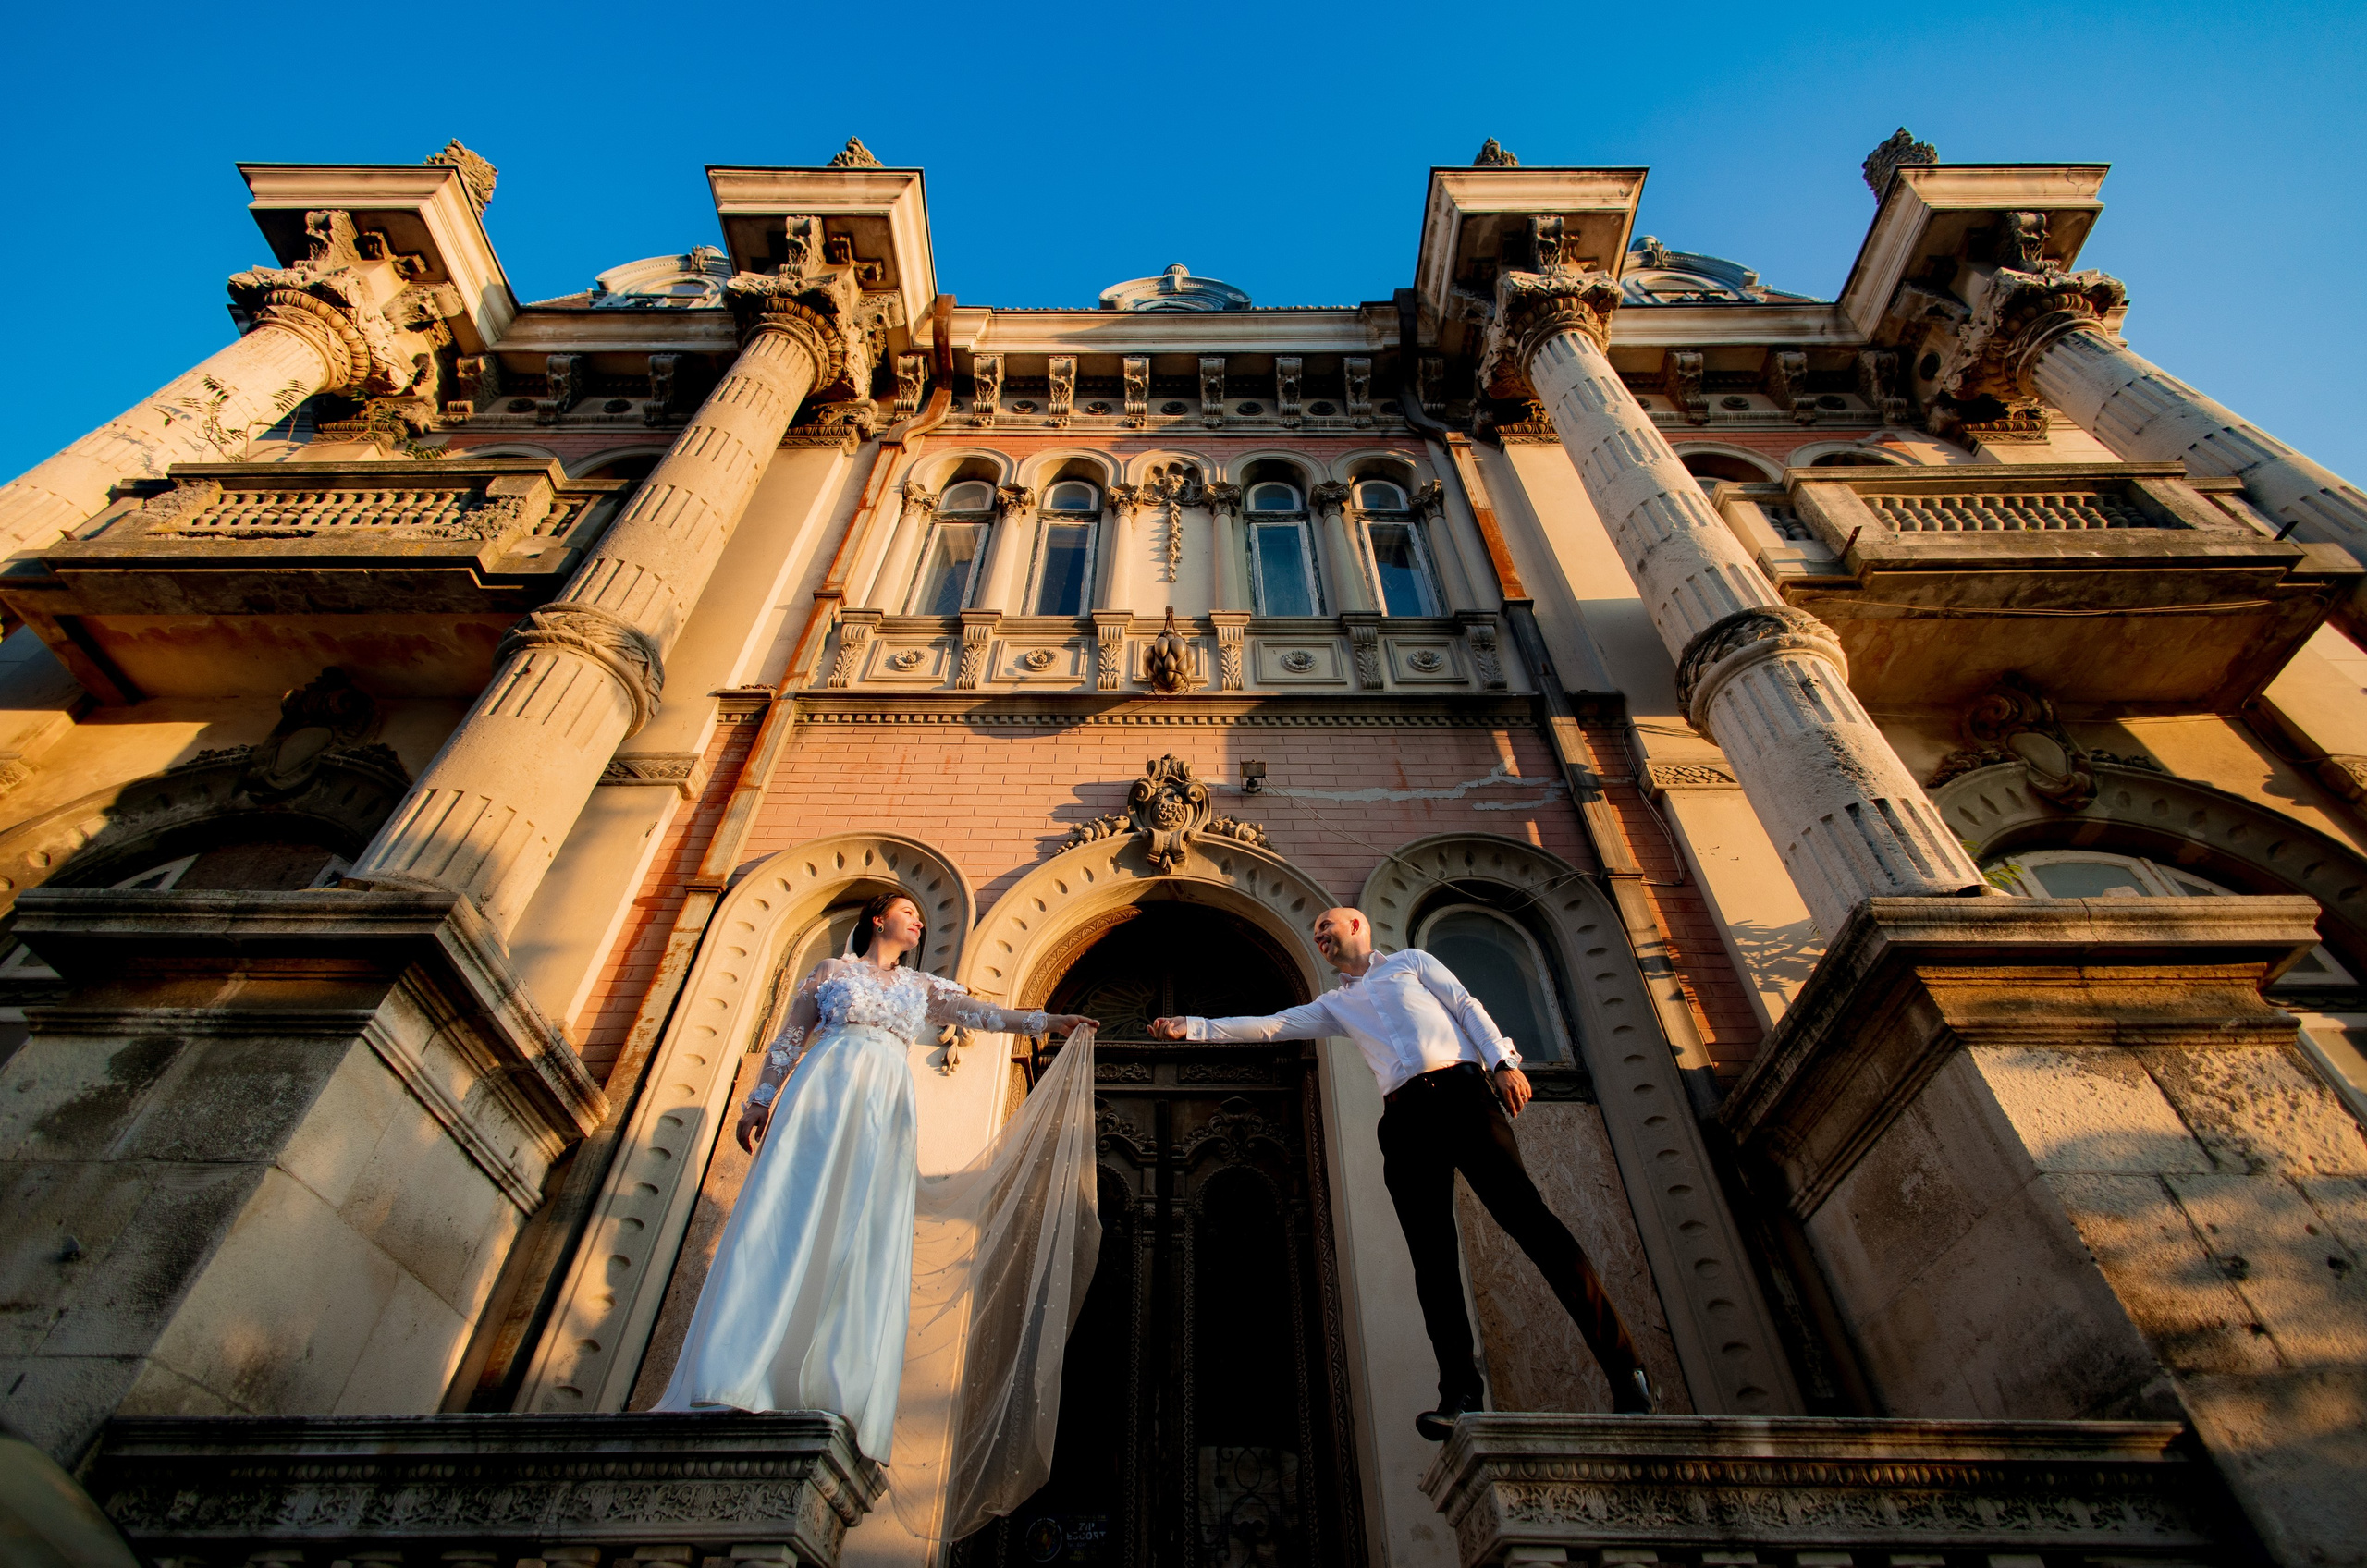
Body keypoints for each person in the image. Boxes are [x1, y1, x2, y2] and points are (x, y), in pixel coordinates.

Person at [1151, 905, 1653, 1437]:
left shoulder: (1412, 963)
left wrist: (1502, 1062)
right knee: (1431, 1258)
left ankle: (1627, 1373)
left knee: (1534, 1226)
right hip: (1404, 1119)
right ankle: (1460, 1395)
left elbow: (1466, 1005)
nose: (1319, 934)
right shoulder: (1336, 1005)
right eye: (1315, 932)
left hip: (1462, 1097)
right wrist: (1196, 1026)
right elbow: (1273, 1025)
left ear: (1357, 927)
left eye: (1327, 926)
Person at [656, 889, 1097, 1462]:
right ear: (877, 919)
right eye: (908, 912)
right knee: (790, 1214)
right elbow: (791, 1037)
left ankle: (829, 1388)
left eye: (919, 914)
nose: (917, 921)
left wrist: (1050, 1020)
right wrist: (760, 1100)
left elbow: (984, 1014)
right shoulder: (830, 971)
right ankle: (737, 1374)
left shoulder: (921, 988)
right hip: (821, 1094)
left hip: (882, 1108)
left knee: (861, 1229)